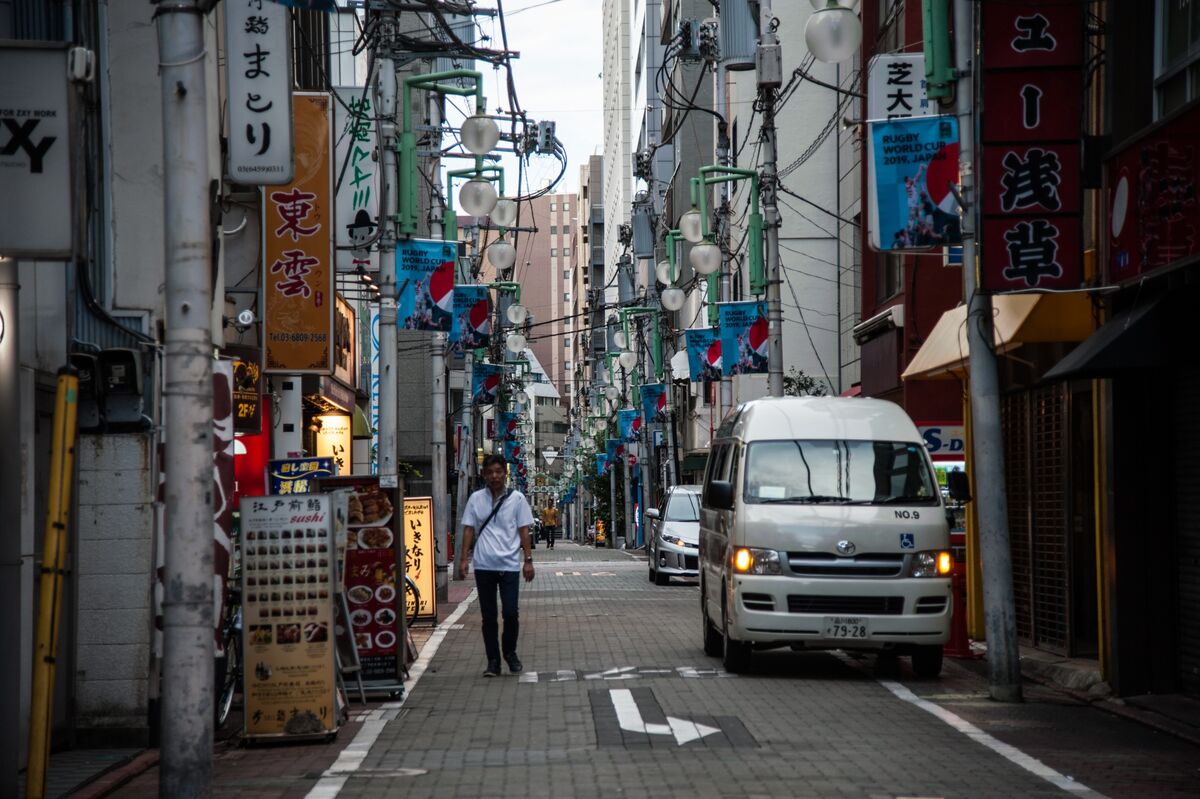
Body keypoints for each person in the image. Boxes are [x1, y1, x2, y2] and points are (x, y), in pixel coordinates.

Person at [457, 454, 536, 677]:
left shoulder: (517, 499)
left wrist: (528, 560)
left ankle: (509, 653)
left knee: (511, 613)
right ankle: (493, 662)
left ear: (505, 473)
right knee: (488, 616)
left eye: (498, 472)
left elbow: (523, 530)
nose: (494, 476)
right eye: (490, 472)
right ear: (484, 475)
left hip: (510, 564)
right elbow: (468, 529)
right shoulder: (475, 499)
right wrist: (463, 560)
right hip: (484, 565)